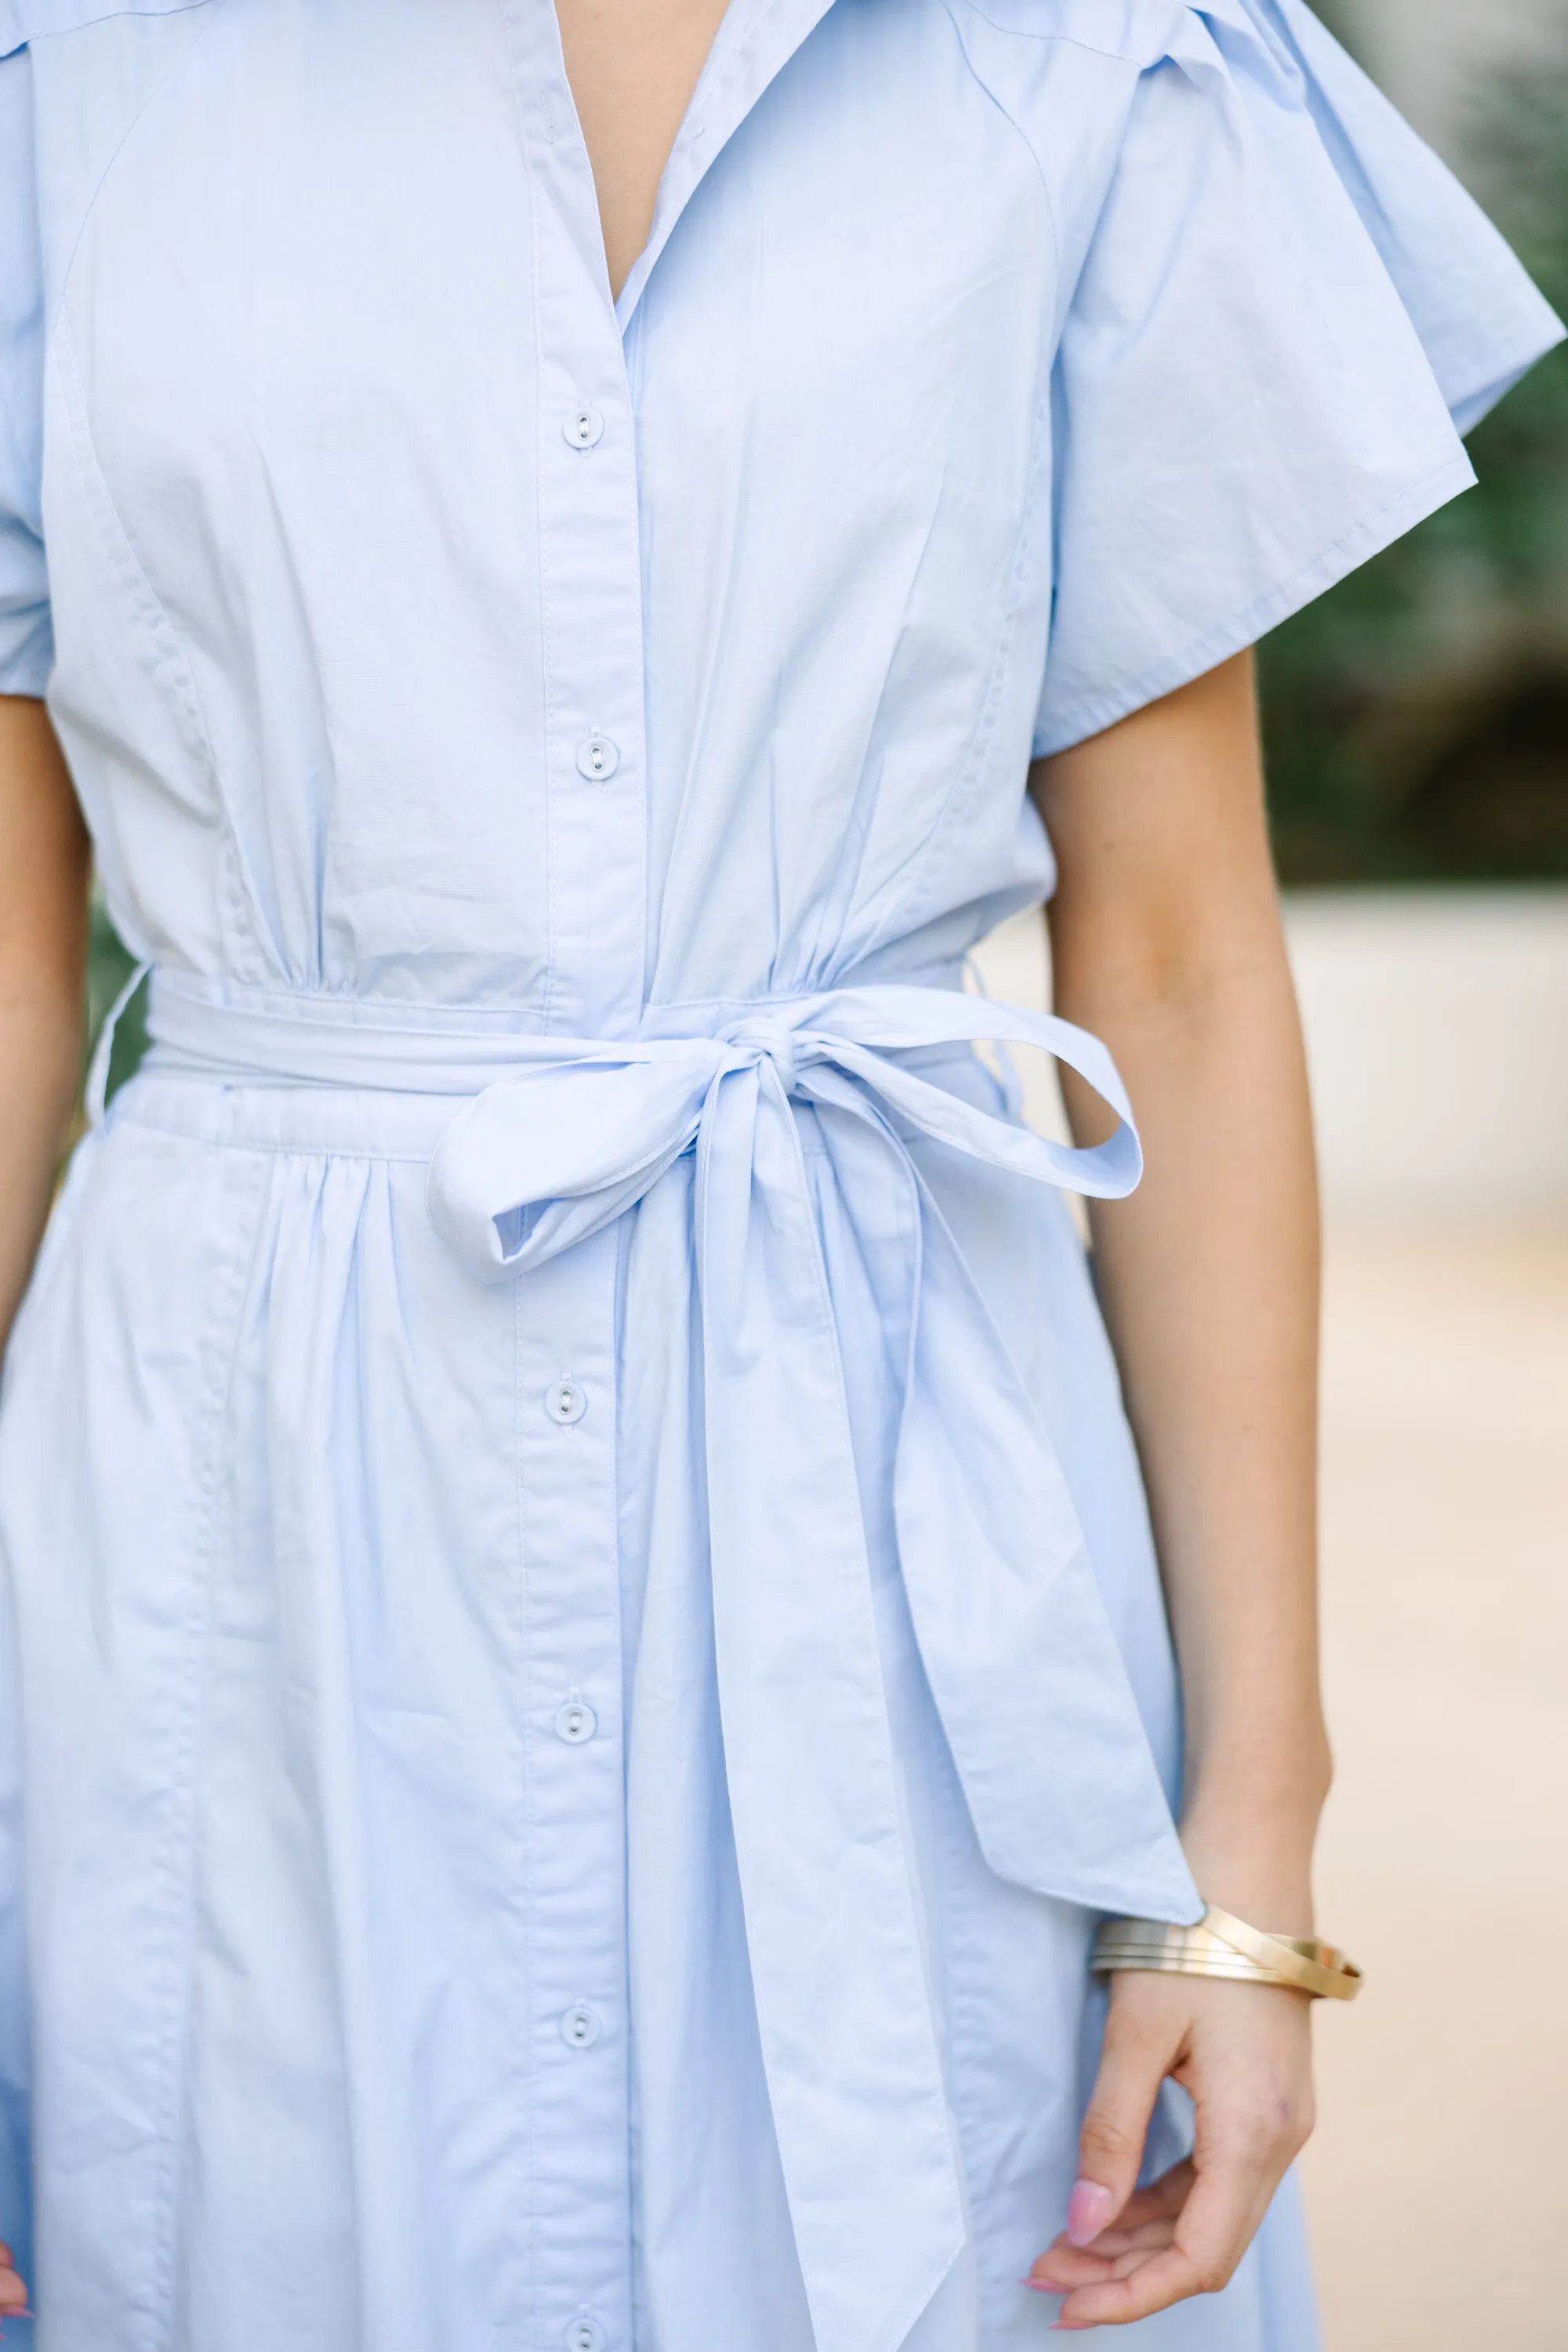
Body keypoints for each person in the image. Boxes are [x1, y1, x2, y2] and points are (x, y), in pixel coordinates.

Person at [0, 0, 1558, 2344]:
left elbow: (1183, 965)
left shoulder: (1093, 50)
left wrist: (1246, 1835)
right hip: (241, 1546)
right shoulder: (60, 66)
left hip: (915, 1537)